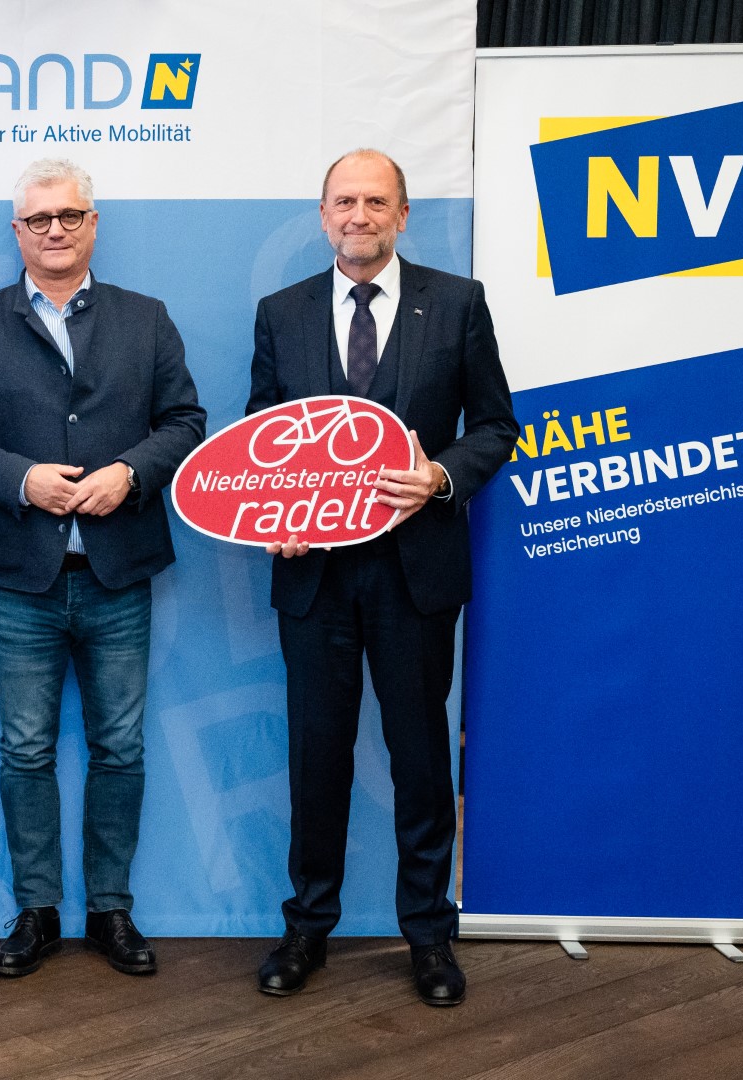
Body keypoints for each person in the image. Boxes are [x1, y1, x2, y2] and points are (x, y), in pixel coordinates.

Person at [0, 158, 206, 979]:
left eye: (69, 216)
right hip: (21, 577)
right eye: (39, 219)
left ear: (92, 223)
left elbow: (185, 420)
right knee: (24, 750)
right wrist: (21, 480)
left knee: (119, 747)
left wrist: (131, 473)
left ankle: (110, 910)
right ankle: (37, 911)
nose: (55, 230)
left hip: (119, 573)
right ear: (16, 231)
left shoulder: (145, 318)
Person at [246, 149, 517, 1006]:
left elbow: (496, 426)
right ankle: (306, 929)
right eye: (343, 201)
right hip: (314, 579)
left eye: (374, 201)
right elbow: (260, 440)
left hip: (414, 573)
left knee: (420, 761)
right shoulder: (280, 313)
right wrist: (274, 517)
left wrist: (439, 477)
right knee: (315, 759)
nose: (357, 216)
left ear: (402, 215)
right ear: (322, 215)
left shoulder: (458, 303)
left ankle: (429, 938)